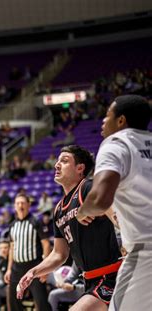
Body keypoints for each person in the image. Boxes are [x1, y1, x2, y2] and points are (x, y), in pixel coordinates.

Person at [17, 145, 121, 311]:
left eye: (64, 161)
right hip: (88, 280)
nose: (57, 165)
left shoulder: (87, 188)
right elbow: (59, 254)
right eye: (57, 161)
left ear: (80, 168)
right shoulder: (58, 209)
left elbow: (118, 216)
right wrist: (33, 272)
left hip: (111, 277)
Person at [76, 95, 152, 311]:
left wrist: (83, 211)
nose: (102, 121)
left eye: (108, 115)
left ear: (121, 121)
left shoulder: (117, 143)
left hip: (146, 251)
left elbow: (100, 199)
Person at [4, 194, 51, 311]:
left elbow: (46, 244)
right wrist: (9, 269)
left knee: (41, 301)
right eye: (17, 203)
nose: (20, 205)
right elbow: (12, 248)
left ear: (28, 205)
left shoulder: (36, 222)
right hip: (16, 268)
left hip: (34, 267)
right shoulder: (12, 225)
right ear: (14, 206)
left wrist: (45, 268)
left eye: (23, 203)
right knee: (14, 302)